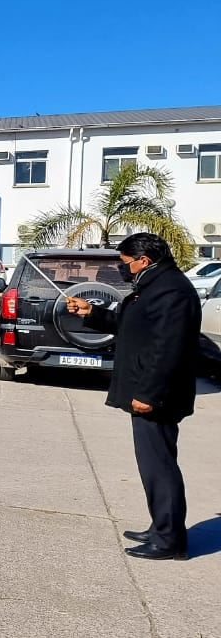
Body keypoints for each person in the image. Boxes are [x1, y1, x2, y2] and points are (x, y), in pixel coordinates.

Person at [66, 232, 201, 560]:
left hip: (158, 396)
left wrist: (149, 393)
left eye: (125, 263)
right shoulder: (154, 285)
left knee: (160, 466)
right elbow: (132, 325)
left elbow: (169, 349)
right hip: (149, 391)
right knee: (152, 464)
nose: (122, 269)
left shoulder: (172, 291)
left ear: (144, 260)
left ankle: (169, 541)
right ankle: (160, 527)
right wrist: (91, 312)